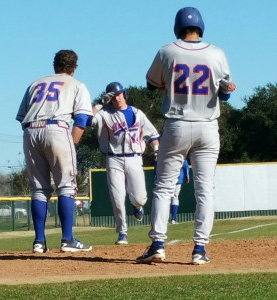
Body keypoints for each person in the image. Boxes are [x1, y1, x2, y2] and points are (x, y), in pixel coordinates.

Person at [136, 7, 236, 265]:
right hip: (207, 126)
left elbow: (150, 83)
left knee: (164, 187)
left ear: (177, 27)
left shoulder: (167, 51)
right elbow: (225, 93)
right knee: (205, 190)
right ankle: (200, 249)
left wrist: (167, 81)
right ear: (201, 26)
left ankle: (158, 244)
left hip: (177, 124)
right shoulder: (217, 53)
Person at [16, 49, 93, 253]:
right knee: (66, 186)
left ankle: (39, 242)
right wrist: (71, 145)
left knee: (39, 189)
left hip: (31, 131)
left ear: (55, 65)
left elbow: (21, 118)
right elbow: (82, 120)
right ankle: (67, 239)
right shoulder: (76, 84)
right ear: (74, 68)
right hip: (57, 129)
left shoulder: (35, 83)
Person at [89, 82, 159, 245]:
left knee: (140, 198)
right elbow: (87, 121)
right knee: (117, 197)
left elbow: (152, 134)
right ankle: (122, 232)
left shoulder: (137, 113)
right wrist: (99, 104)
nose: (117, 98)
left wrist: (156, 150)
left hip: (134, 157)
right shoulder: (105, 114)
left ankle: (137, 206)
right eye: (113, 96)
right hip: (113, 158)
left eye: (119, 94)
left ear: (124, 94)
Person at [170, 160, 190, 224]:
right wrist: (187, 176)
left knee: (165, 198)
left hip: (167, 179)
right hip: (177, 179)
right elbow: (186, 166)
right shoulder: (182, 155)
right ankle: (173, 219)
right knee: (175, 197)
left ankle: (165, 219)